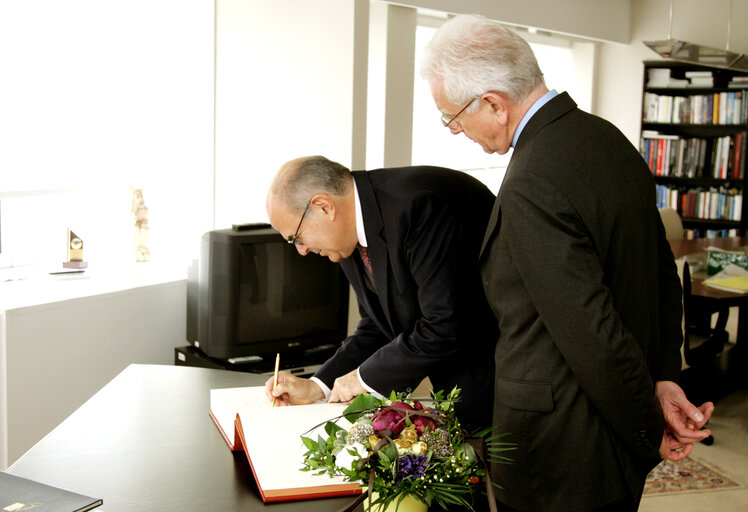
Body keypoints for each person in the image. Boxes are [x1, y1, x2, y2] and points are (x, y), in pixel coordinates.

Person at [420, 14, 714, 512]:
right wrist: (662, 379)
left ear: (492, 102)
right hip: (608, 442)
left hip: (559, 453)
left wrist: (648, 425)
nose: (454, 131)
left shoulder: (532, 175)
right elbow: (663, 277)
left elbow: (591, 332)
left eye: (453, 117)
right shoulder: (608, 139)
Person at [264, 155, 499, 430]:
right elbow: (378, 325)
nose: (301, 250)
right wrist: (319, 385)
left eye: (297, 238)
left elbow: (445, 325)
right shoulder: (348, 236)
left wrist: (362, 378)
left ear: (324, 206)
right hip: (459, 390)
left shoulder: (419, 206)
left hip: (502, 387)